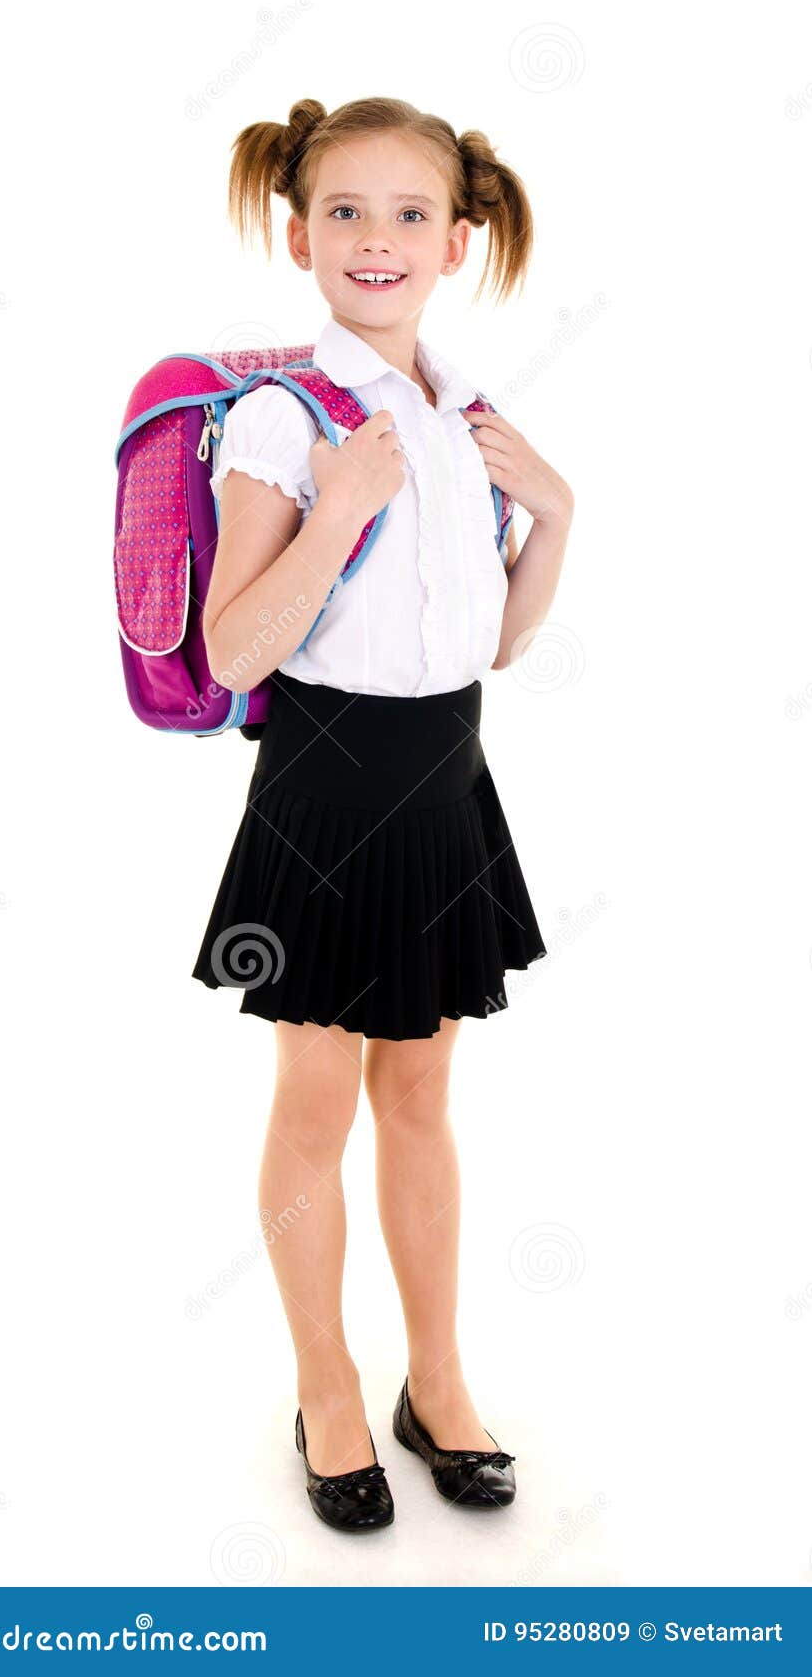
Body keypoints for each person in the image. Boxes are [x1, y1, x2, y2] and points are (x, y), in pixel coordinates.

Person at [192, 95, 574, 1533]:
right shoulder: (287, 421)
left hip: (441, 779)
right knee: (314, 1100)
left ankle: (439, 1380)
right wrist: (339, 508)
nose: (376, 237)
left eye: (409, 214)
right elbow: (234, 650)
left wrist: (557, 514)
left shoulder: (462, 414)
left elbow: (493, 647)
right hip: (321, 786)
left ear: (457, 240)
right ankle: (327, 1388)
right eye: (344, 211)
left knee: (421, 1093)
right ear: (299, 235)